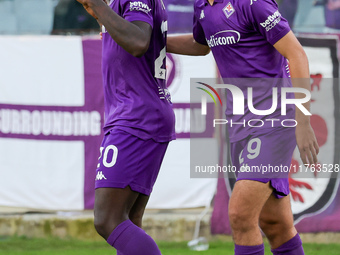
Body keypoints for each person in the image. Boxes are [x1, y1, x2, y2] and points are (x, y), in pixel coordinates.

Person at [167, 0, 319, 254]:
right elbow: (201, 45)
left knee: (240, 215)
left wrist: (303, 121)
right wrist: (157, 41)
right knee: (276, 225)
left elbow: (296, 54)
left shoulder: (253, 3)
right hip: (240, 125)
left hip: (274, 120)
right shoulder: (202, 7)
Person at [76, 0, 175, 254]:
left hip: (136, 116)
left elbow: (139, 42)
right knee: (128, 220)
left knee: (107, 219)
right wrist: (101, 13)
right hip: (141, 113)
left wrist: (99, 7)